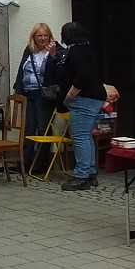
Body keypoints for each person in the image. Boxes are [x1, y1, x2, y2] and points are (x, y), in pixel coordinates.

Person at [56, 22, 107, 191]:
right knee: (86, 136)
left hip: (84, 99)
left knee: (80, 137)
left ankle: (81, 175)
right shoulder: (86, 48)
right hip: (95, 98)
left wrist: (70, 95)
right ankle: (90, 172)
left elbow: (83, 75)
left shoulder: (76, 51)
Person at [13, 23, 64, 171]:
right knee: (28, 128)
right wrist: (18, 89)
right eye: (39, 35)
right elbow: (21, 69)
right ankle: (24, 163)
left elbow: (61, 71)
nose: (42, 38)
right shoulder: (29, 50)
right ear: (33, 37)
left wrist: (54, 55)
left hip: (44, 96)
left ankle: (40, 165)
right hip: (28, 94)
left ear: (50, 36)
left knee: (43, 129)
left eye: (45, 35)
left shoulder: (56, 49)